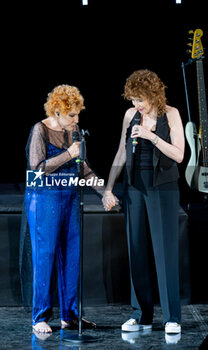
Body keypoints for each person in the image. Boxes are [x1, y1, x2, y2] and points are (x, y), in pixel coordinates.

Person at [102, 69, 185, 334]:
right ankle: (141, 314)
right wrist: (109, 187)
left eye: (140, 99)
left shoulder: (170, 113)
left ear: (153, 94)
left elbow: (179, 155)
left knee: (164, 252)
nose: (136, 105)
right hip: (135, 187)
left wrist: (152, 136)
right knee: (136, 249)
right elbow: (121, 152)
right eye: (132, 100)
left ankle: (172, 317)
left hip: (163, 187)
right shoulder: (130, 116)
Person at [25, 84, 103, 333]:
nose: (76, 119)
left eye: (78, 114)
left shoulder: (75, 130)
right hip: (44, 199)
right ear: (57, 112)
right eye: (72, 115)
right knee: (44, 257)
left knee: (71, 257)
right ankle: (39, 317)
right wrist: (69, 154)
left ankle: (69, 315)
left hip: (69, 197)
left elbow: (83, 167)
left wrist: (104, 191)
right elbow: (37, 168)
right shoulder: (40, 130)